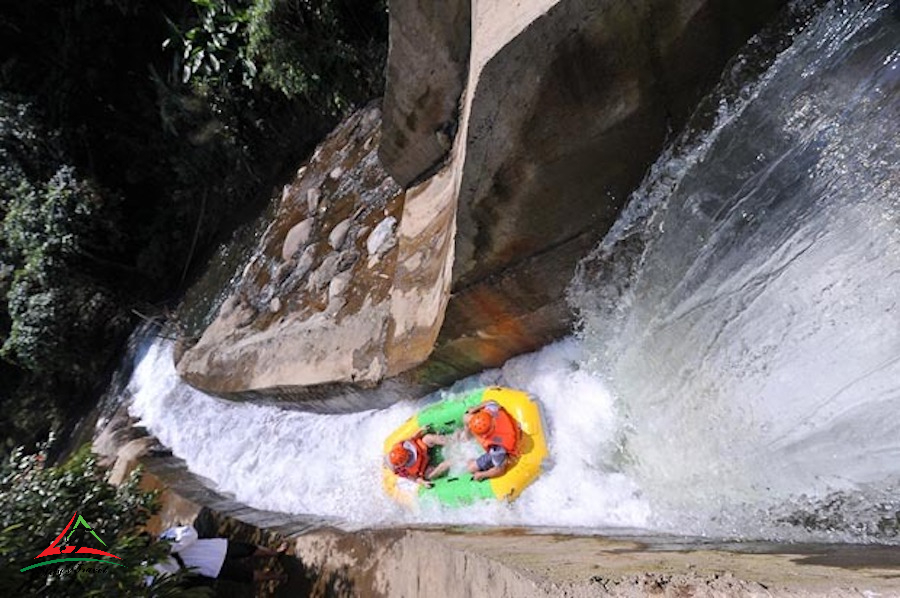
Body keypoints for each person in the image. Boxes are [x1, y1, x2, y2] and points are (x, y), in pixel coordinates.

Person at [149, 525, 287, 586]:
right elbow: (168, 577)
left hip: (215, 548)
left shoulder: (167, 536)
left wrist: (170, 547)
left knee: (248, 549)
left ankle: (275, 553)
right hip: (210, 567)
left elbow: (191, 533)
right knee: (246, 575)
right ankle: (277, 576)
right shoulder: (155, 565)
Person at [463, 401, 521, 481]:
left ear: (484, 435)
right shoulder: (492, 410)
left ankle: (473, 459)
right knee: (466, 417)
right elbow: (491, 401)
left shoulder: (497, 448)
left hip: (505, 443)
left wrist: (482, 474)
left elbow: (500, 470)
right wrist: (475, 409)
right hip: (504, 428)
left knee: (470, 468)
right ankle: (466, 438)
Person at [386, 427, 452, 487]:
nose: (410, 453)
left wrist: (421, 430)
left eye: (409, 452)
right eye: (409, 456)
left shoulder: (402, 445)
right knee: (429, 475)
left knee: (427, 438)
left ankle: (451, 441)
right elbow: (414, 478)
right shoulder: (403, 470)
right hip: (423, 467)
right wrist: (423, 483)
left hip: (423, 449)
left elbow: (413, 437)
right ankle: (448, 463)